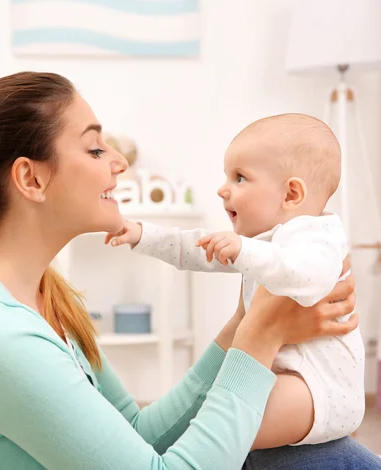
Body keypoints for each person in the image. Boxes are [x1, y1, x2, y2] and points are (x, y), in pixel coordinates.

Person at [0, 71, 381, 469]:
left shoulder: (42, 297)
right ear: (31, 178)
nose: (118, 163)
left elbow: (136, 434)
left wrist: (247, 323)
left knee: (313, 454)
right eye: (95, 148)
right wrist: (258, 340)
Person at [107, 114, 365, 449]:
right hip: (284, 375)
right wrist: (143, 235)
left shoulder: (318, 235)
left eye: (240, 178)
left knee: (225, 433)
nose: (222, 188)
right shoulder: (266, 240)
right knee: (214, 415)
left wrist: (245, 250)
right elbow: (197, 249)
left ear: (291, 194)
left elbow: (307, 278)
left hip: (317, 389)